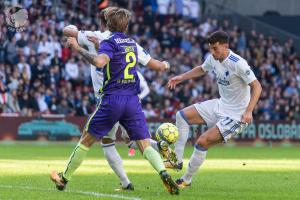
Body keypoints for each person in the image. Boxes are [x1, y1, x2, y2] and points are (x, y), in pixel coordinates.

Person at [51, 8, 179, 195]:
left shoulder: (108, 42)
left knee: (87, 139)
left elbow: (100, 63)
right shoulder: (132, 44)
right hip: (132, 100)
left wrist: (78, 48)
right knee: (143, 143)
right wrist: (166, 65)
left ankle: (64, 178)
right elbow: (155, 65)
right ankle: (163, 172)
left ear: (108, 24)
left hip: (112, 99)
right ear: (126, 26)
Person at [167, 30, 262, 188]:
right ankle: (176, 160)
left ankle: (186, 180)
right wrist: (181, 77)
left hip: (236, 115)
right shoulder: (213, 58)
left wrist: (249, 111)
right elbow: (202, 69)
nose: (212, 52)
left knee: (202, 142)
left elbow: (257, 86)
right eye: (210, 48)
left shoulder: (238, 63)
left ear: (226, 46)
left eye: (215, 48)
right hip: (220, 105)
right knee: (181, 116)